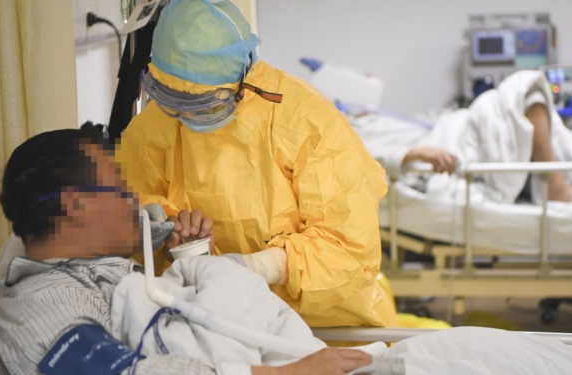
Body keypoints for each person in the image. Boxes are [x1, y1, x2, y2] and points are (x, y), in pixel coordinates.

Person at [0, 129, 373, 375]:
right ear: (76, 206)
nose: (132, 202)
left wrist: (193, 267)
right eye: (119, 191)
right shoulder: (40, 305)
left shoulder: (113, 275)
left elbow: (195, 333)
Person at [116, 0, 396, 328]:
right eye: (172, 100)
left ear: (243, 80)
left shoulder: (308, 124)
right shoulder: (155, 124)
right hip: (215, 319)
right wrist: (168, 239)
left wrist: (256, 267)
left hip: (326, 327)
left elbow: (349, 249)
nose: (184, 115)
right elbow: (128, 207)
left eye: (203, 104)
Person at [352, 70, 572, 204]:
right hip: (453, 145)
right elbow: (363, 161)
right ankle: (557, 186)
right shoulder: (347, 134)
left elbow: (428, 119)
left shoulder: (364, 115)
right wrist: (419, 153)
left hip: (458, 126)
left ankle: (570, 176)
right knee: (522, 87)